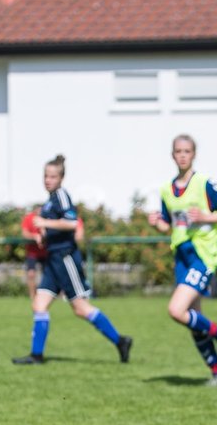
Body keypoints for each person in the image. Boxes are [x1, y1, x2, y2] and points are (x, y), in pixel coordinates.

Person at [13, 155, 132, 364]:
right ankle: (36, 355)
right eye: (46, 176)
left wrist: (43, 222)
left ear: (61, 178)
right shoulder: (51, 200)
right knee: (39, 305)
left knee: (81, 308)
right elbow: (55, 225)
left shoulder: (61, 196)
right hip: (53, 260)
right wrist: (43, 234)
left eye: (53, 176)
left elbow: (71, 224)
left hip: (65, 259)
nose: (48, 180)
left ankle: (120, 340)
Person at [146, 135, 217, 385]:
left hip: (203, 255)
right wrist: (158, 224)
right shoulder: (167, 189)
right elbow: (170, 226)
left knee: (176, 310)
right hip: (182, 256)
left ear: (194, 154)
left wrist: (206, 218)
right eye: (178, 151)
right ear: (172, 155)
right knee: (195, 322)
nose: (183, 155)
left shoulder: (204, 183)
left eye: (187, 151)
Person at [21, 208, 84, 300]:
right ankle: (33, 296)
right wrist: (37, 236)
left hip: (60, 253)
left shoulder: (68, 218)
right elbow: (26, 233)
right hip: (36, 253)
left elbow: (78, 234)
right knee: (39, 305)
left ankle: (66, 295)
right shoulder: (32, 218)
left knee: (80, 307)